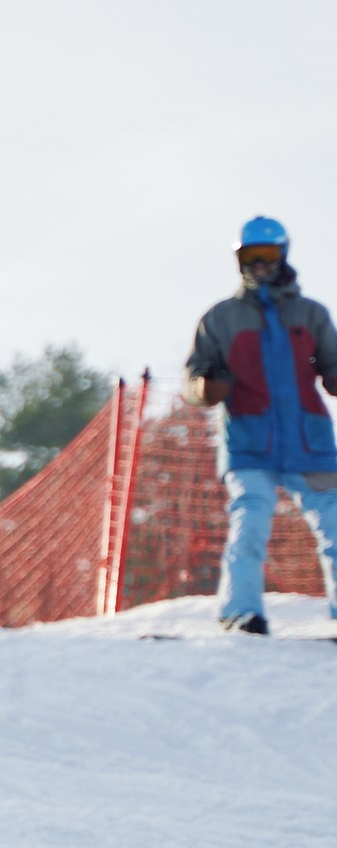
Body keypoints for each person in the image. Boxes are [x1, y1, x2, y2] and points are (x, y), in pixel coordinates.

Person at [184, 216, 337, 636]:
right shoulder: (221, 318)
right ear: (239, 261)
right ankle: (241, 612)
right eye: (249, 257)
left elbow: (332, 364)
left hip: (310, 442)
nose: (259, 265)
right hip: (251, 443)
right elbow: (194, 378)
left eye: (267, 256)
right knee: (250, 522)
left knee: (336, 525)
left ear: (282, 256)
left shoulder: (311, 314)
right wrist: (205, 387)